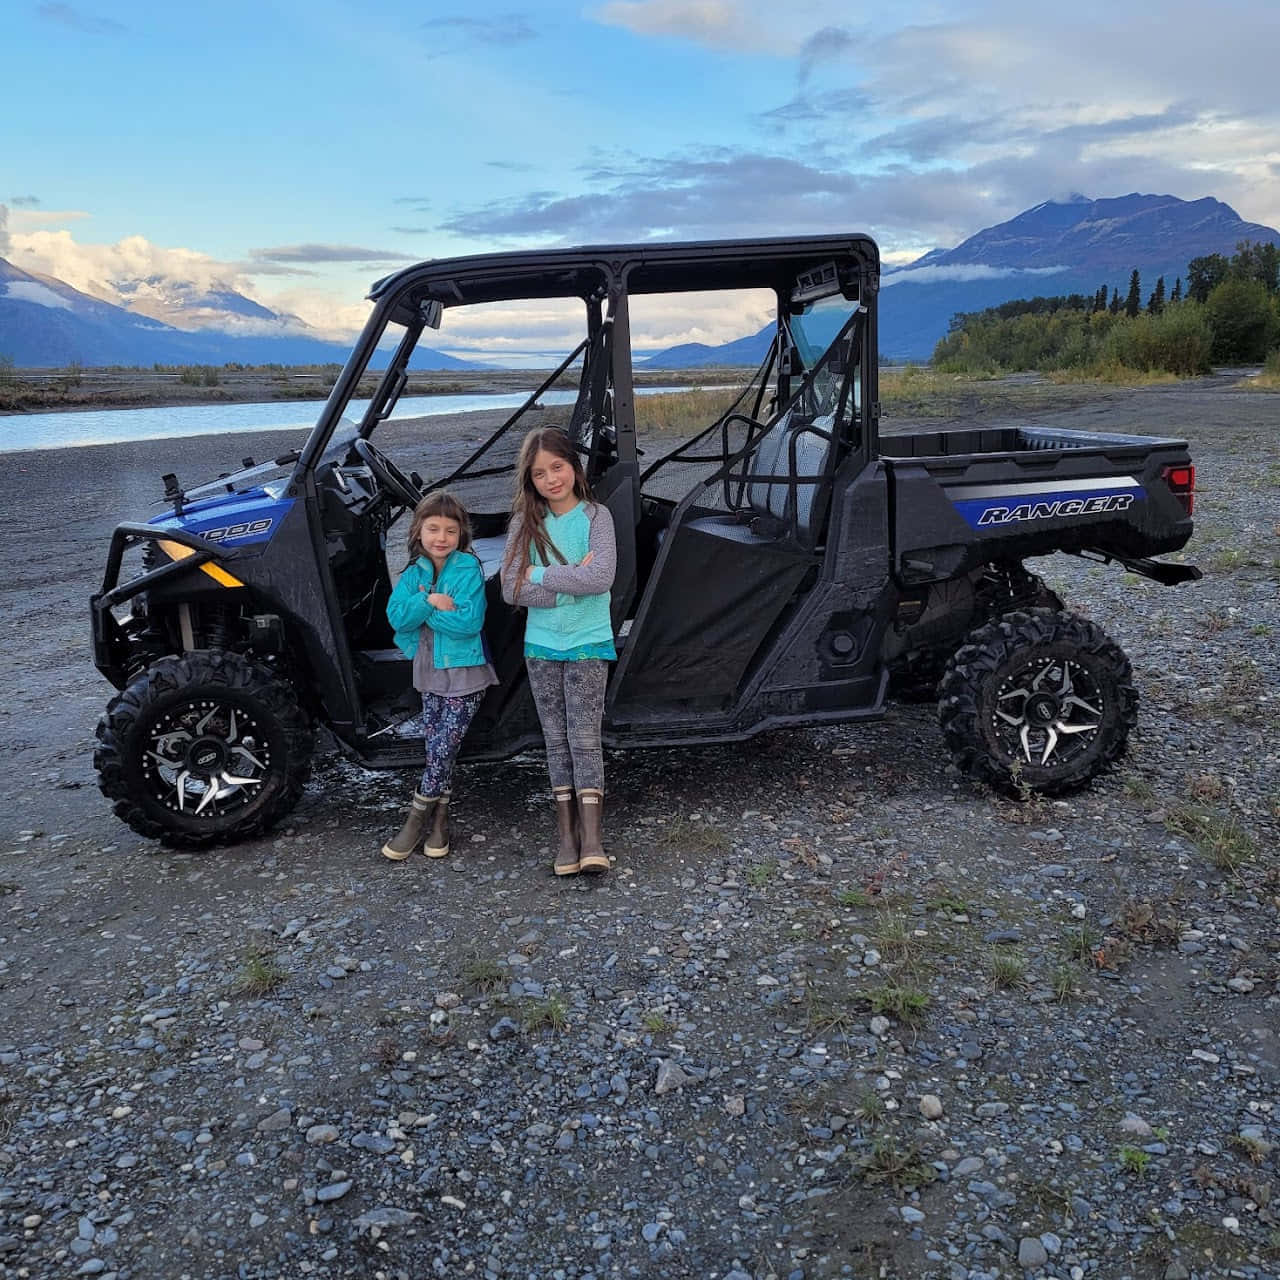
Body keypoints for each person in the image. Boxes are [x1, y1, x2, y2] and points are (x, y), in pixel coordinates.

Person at [501, 427, 616, 877]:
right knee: (555, 741)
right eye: (539, 473)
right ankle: (566, 838)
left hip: (588, 642)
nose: (551, 479)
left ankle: (592, 839)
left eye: (557, 467)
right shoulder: (524, 524)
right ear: (529, 480)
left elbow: (602, 577)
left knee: (585, 740)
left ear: (574, 467)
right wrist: (571, 582)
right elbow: (511, 588)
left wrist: (542, 575)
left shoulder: (596, 517)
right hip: (542, 647)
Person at [382, 491, 496, 861]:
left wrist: (422, 613)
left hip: (465, 673)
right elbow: (397, 617)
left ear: (461, 534)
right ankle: (440, 822)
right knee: (436, 749)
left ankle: (414, 820)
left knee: (445, 746)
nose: (441, 537)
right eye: (433, 529)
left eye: (450, 530)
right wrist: (429, 601)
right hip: (429, 672)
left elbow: (468, 622)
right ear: (418, 531)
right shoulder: (413, 572)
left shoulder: (467, 569)